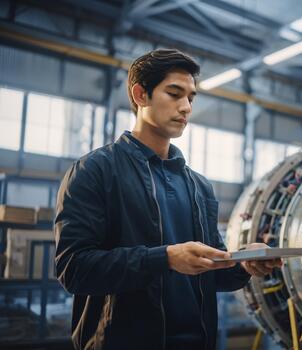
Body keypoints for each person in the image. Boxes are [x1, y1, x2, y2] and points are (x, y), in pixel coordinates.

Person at [54, 49, 281, 350]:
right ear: (140, 94)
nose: (186, 107)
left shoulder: (199, 186)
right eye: (174, 94)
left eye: (191, 97)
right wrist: (166, 258)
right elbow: (75, 269)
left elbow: (212, 273)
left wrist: (243, 262)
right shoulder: (95, 171)